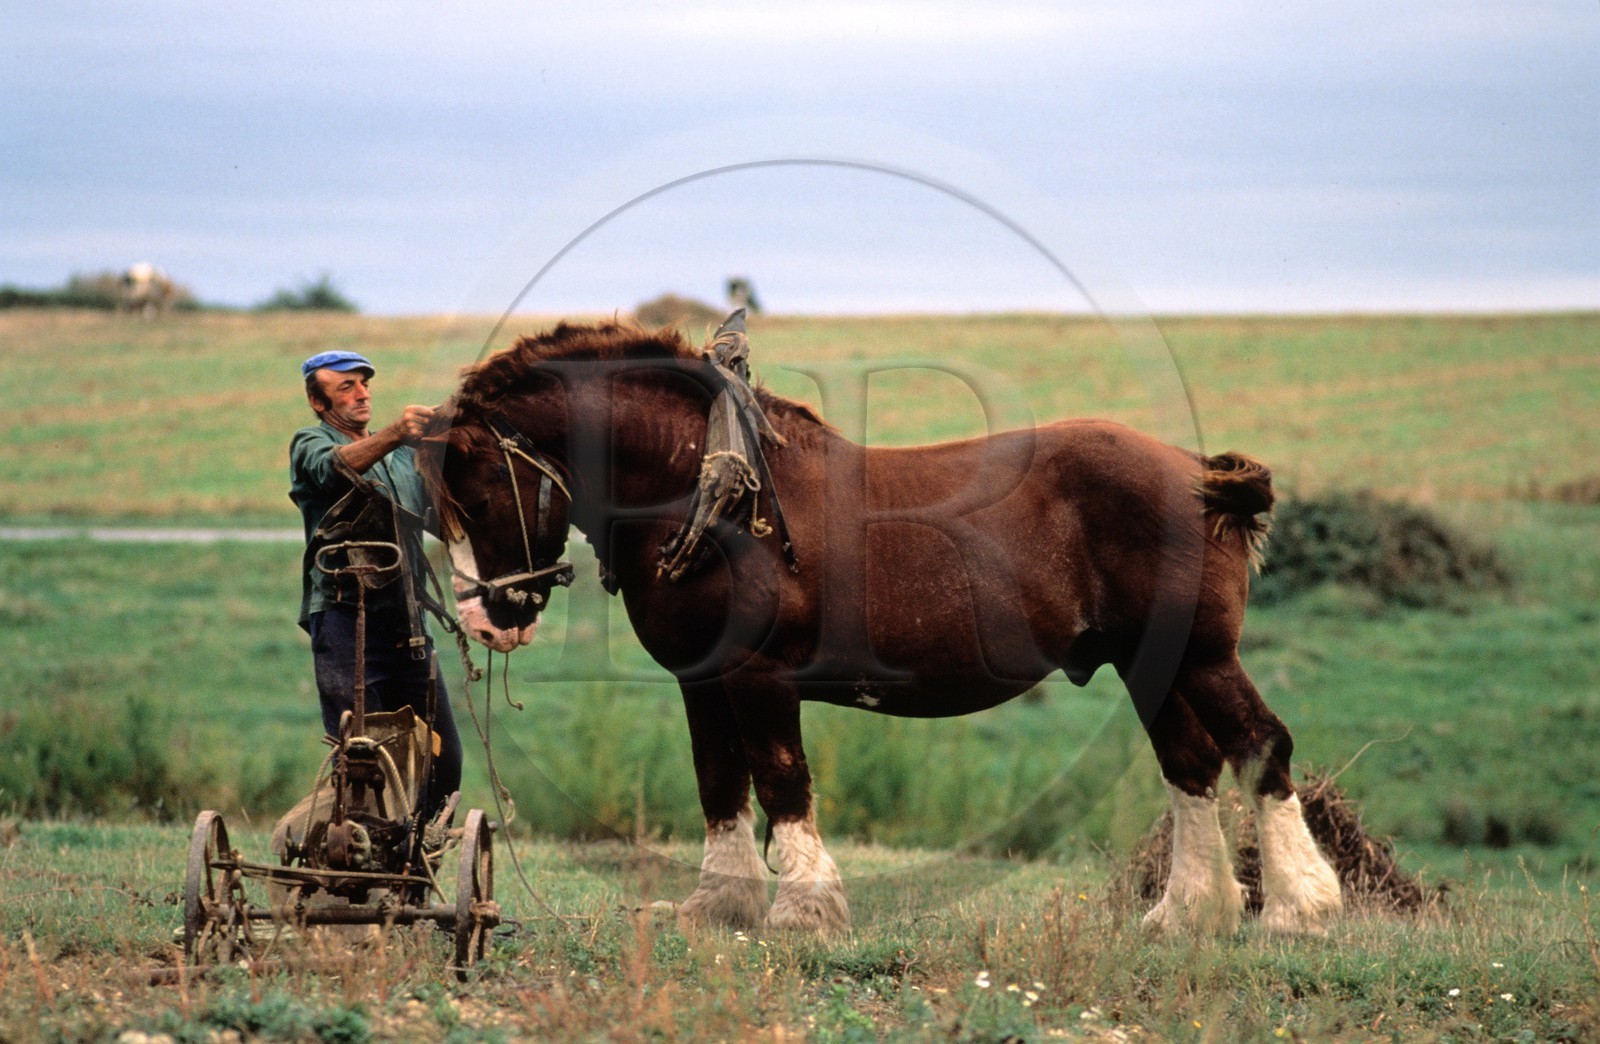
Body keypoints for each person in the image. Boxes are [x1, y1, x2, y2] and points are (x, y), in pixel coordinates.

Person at [288, 350, 462, 821]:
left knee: (445, 762)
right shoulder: (310, 442)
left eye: (364, 383)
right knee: (361, 759)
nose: (362, 393)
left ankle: (413, 855)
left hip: (407, 620)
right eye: (346, 387)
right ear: (317, 402)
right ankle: (367, 855)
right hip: (345, 619)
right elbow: (333, 470)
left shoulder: (405, 458)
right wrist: (394, 433)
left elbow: (445, 516)